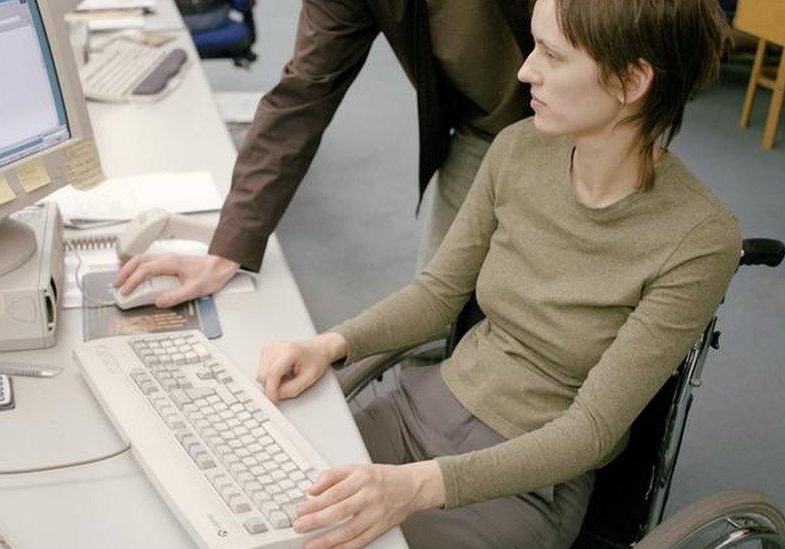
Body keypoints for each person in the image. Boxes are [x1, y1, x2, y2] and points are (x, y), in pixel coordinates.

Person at [255, 0, 740, 547]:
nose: (524, 70)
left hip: (528, 480)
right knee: (264, 508)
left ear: (631, 80)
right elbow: (437, 296)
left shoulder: (699, 237)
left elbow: (591, 432)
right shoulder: (516, 150)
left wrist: (419, 487)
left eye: (552, 56)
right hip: (421, 410)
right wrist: (330, 343)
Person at [113, 1, 533, 306]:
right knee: (439, 305)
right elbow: (304, 94)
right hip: (483, 127)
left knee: (554, 311)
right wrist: (230, 246)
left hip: (586, 121)